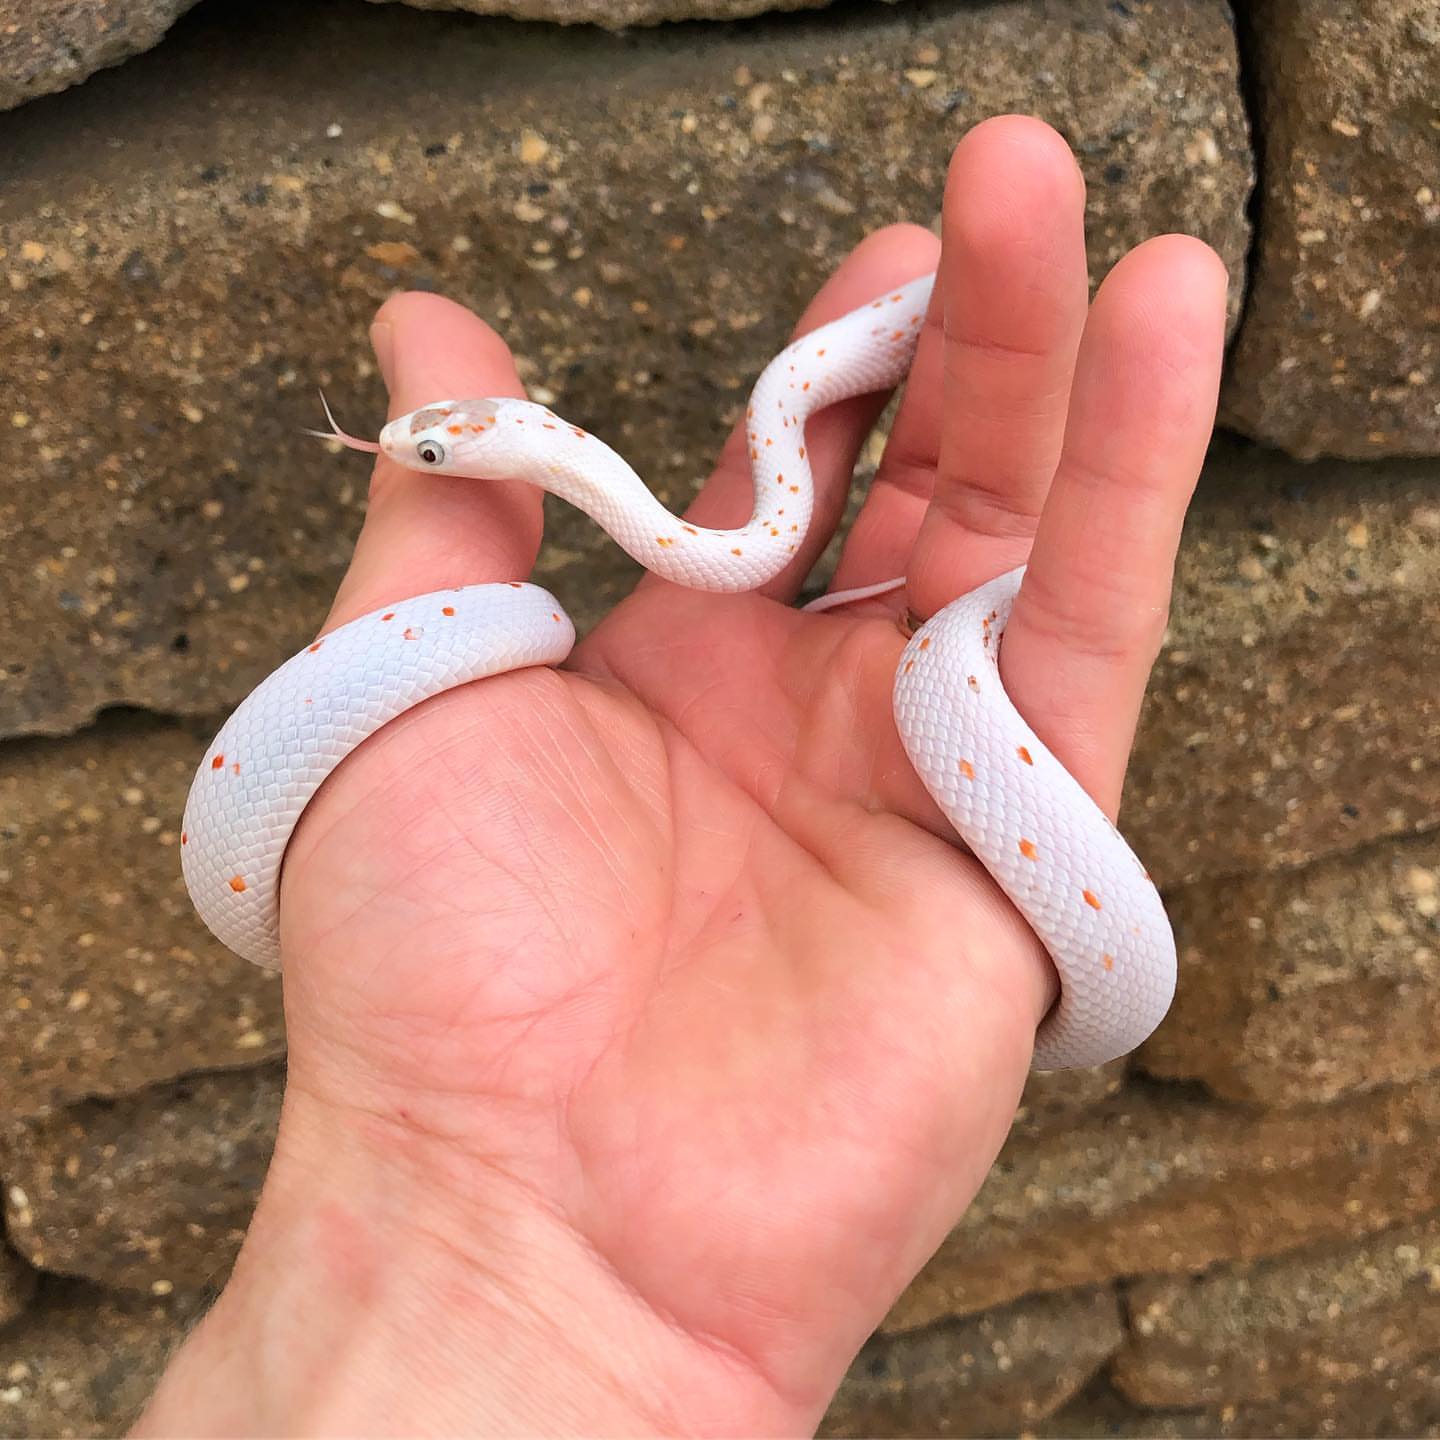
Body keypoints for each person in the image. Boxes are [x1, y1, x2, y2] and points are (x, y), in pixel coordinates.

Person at [133, 116, 1226, 1436]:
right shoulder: (676, 551)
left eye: (434, 454)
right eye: (427, 456)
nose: (410, 453)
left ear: (533, 446)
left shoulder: (744, 551)